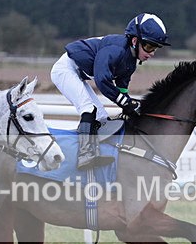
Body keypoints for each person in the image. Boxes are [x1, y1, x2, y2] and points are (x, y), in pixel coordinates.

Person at [50, 12, 169, 169]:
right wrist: (125, 102)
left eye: (155, 48)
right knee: (88, 109)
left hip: (78, 73)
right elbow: (102, 80)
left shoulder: (131, 62)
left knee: (102, 117)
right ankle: (84, 155)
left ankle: (97, 153)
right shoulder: (115, 49)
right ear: (135, 41)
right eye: (149, 46)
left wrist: (130, 106)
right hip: (65, 69)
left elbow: (122, 89)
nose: (151, 53)